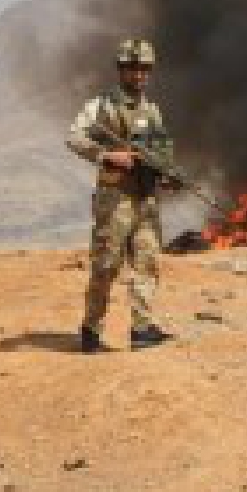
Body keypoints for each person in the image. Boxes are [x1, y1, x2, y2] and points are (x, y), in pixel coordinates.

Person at [66, 37, 181, 352]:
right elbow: (74, 137)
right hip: (115, 198)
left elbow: (159, 153)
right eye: (132, 68)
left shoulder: (152, 111)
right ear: (120, 69)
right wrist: (106, 155)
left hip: (145, 198)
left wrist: (168, 176)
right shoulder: (102, 106)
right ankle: (91, 329)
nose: (138, 75)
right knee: (107, 263)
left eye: (144, 68)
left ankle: (142, 329)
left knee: (147, 260)